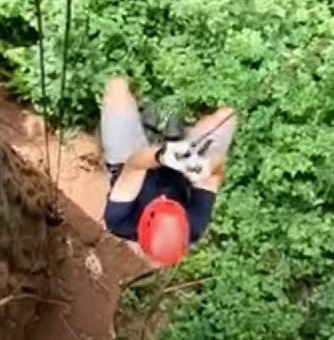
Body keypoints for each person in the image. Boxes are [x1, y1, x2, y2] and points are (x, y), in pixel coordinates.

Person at [99, 77, 236, 266]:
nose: (163, 198)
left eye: (159, 203)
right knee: (227, 117)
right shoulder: (194, 226)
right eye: (169, 203)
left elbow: (134, 165)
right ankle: (190, 122)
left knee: (116, 88)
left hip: (131, 162)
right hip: (183, 169)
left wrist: (163, 156)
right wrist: (206, 167)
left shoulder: (119, 220)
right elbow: (217, 173)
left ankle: (138, 96)